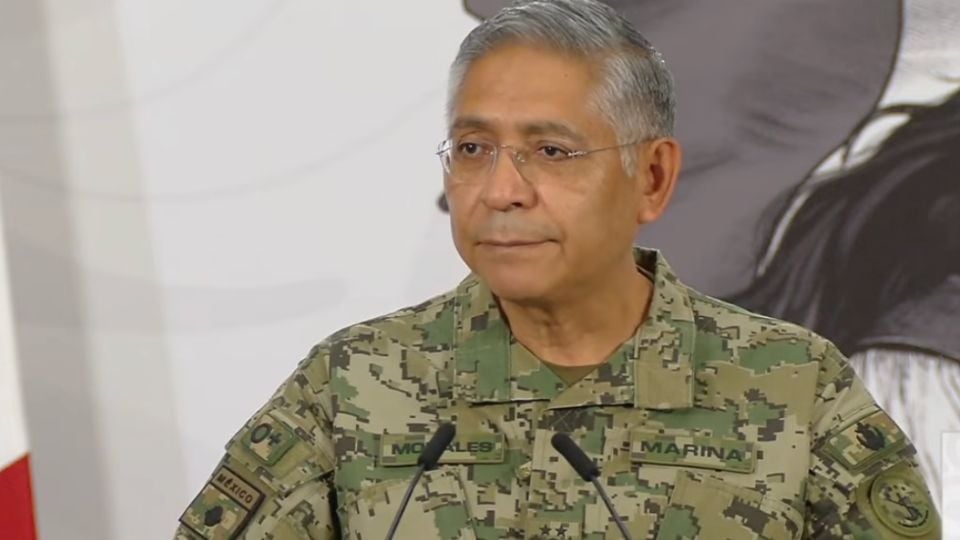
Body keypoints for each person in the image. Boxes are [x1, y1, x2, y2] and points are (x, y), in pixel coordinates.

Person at [174, 1, 940, 538]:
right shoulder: (352, 384)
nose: (501, 191)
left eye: (552, 151)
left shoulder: (795, 386)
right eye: (473, 149)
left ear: (651, 178)